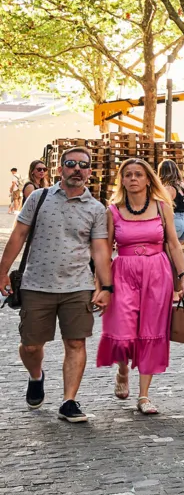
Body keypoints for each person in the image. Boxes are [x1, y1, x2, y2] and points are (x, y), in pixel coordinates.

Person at [0, 147, 113, 423]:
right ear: (60, 169)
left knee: (75, 342)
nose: (77, 169)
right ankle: (36, 376)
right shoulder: (39, 198)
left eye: (83, 165)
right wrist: (2, 272)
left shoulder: (96, 209)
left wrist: (106, 287)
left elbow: (100, 250)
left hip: (78, 286)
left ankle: (69, 401)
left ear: (89, 171)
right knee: (30, 346)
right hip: (36, 284)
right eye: (71, 163)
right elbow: (18, 235)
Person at [97, 159, 184, 415]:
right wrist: (100, 284)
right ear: (122, 180)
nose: (133, 179)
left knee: (151, 330)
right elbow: (105, 250)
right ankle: (122, 369)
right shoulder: (113, 211)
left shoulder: (162, 207)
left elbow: (174, 244)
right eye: (128, 175)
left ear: (149, 179)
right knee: (123, 329)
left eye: (138, 174)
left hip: (157, 272)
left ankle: (144, 395)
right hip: (123, 273)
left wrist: (183, 277)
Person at [157, 160, 184, 243]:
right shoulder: (182, 185)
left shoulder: (168, 189)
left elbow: (164, 209)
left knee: (167, 249)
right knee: (177, 249)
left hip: (175, 222)